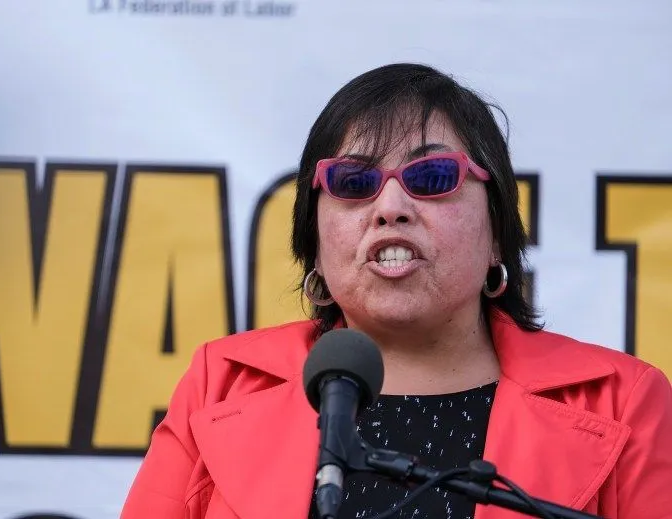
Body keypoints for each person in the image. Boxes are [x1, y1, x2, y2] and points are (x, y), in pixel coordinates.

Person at [120, 64, 672, 519]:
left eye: (431, 178)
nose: (390, 208)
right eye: (354, 184)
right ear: (314, 243)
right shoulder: (221, 384)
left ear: (497, 232)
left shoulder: (623, 401)